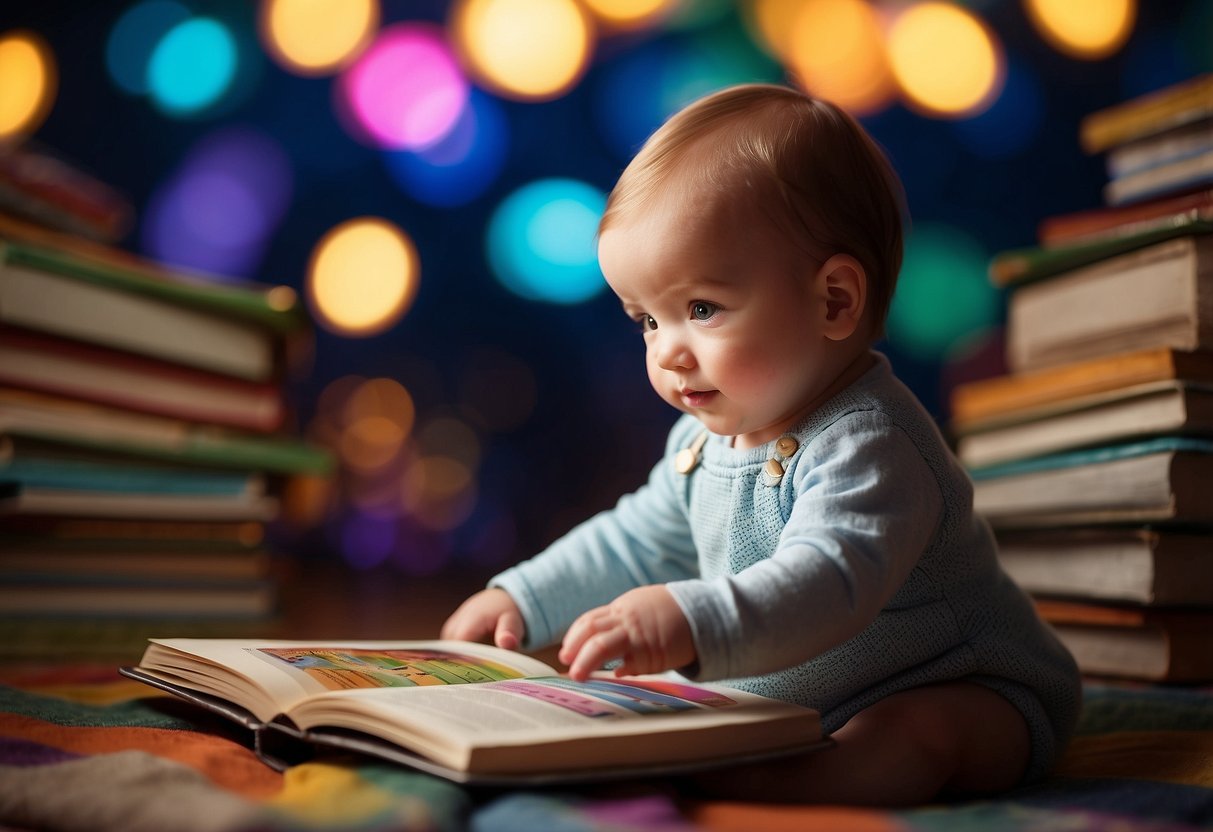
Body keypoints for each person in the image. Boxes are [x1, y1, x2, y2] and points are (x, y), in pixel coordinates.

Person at [442, 83, 1081, 805]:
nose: (667, 353)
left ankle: (808, 789)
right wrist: (523, 597)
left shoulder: (871, 444)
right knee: (652, 697)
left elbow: (827, 581)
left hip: (958, 682)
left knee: (913, 734)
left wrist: (691, 618)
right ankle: (753, 757)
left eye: (700, 309)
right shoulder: (700, 442)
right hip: (797, 689)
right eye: (646, 321)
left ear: (832, 301)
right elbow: (630, 542)